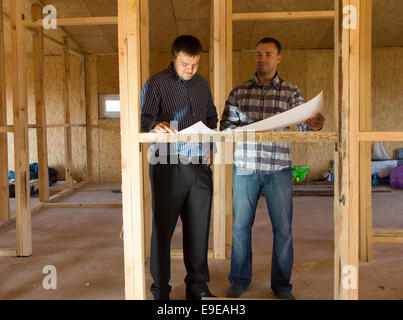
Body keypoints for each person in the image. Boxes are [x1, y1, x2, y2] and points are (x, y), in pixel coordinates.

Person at [220, 37, 325, 300]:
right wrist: (243, 130)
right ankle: (239, 280)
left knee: (283, 229)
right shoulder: (239, 92)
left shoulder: (291, 92)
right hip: (245, 168)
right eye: (258, 54)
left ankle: (281, 286)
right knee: (240, 228)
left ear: (279, 58)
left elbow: (303, 127)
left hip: (278, 168)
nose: (262, 58)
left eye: (268, 54)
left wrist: (314, 124)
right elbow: (225, 128)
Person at [141, 35, 218, 300]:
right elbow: (144, 119)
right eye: (186, 63)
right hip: (167, 164)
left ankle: (197, 286)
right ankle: (161, 290)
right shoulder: (156, 83)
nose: (191, 69)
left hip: (199, 166)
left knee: (198, 228)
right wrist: (155, 126)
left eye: (195, 64)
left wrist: (211, 147)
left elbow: (211, 117)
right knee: (163, 229)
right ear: (173, 57)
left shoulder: (202, 85)